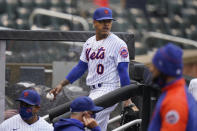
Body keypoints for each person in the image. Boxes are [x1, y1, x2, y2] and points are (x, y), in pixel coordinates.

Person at [50, 7, 138, 131]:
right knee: (97, 127)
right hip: (94, 90)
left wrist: (127, 99)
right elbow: (80, 67)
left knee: (81, 119)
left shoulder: (119, 44)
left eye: (109, 21)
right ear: (94, 22)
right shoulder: (89, 43)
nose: (106, 24)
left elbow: (123, 71)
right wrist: (61, 84)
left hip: (109, 89)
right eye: (102, 21)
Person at [148, 43, 197, 131]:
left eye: (155, 66)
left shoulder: (175, 102)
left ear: (164, 70)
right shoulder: (173, 92)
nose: (151, 69)